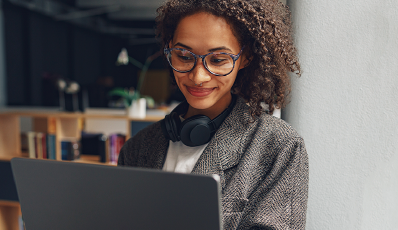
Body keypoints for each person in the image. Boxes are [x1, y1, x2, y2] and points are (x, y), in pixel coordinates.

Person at [117, 0, 306, 229]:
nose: (198, 77)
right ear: (168, 51)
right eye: (184, 56)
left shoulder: (280, 147)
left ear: (245, 57)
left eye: (217, 60)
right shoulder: (137, 149)